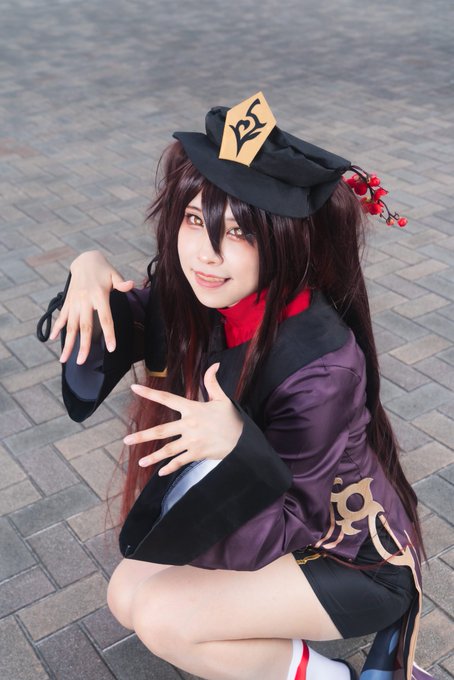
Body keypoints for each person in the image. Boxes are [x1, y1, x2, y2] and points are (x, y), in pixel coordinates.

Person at [37, 92, 433, 680]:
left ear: (283, 240)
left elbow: (294, 520)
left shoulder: (322, 364)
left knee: (163, 617)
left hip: (352, 554)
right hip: (270, 518)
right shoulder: (200, 295)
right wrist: (88, 267)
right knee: (127, 594)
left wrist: (238, 448)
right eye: (196, 220)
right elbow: (125, 322)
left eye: (240, 232)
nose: (207, 255)